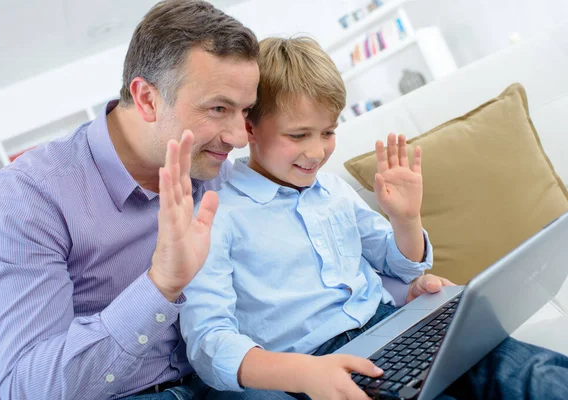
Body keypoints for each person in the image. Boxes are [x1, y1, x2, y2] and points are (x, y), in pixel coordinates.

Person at [179, 37, 568, 400]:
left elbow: (400, 265)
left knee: (529, 370)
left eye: (328, 132)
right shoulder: (218, 212)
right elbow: (208, 340)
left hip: (394, 326)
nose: (316, 152)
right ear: (249, 128)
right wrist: (301, 373)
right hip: (321, 362)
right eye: (298, 136)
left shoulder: (332, 191)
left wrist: (406, 219)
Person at [0, 1, 259, 399]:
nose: (238, 137)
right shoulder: (25, 198)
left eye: (245, 111)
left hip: (226, 375)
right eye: (218, 108)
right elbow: (26, 389)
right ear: (147, 99)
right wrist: (160, 286)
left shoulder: (213, 169)